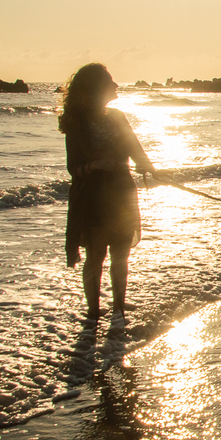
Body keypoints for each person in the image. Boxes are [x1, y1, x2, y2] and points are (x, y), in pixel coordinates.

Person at [58, 63, 156, 326]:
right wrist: (95, 165)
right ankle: (93, 313)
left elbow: (135, 148)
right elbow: (73, 168)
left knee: (121, 255)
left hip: (121, 191)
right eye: (109, 81)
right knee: (97, 255)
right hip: (93, 195)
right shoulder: (77, 122)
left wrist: (149, 166)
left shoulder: (117, 116)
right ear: (96, 88)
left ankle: (119, 310)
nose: (115, 85)